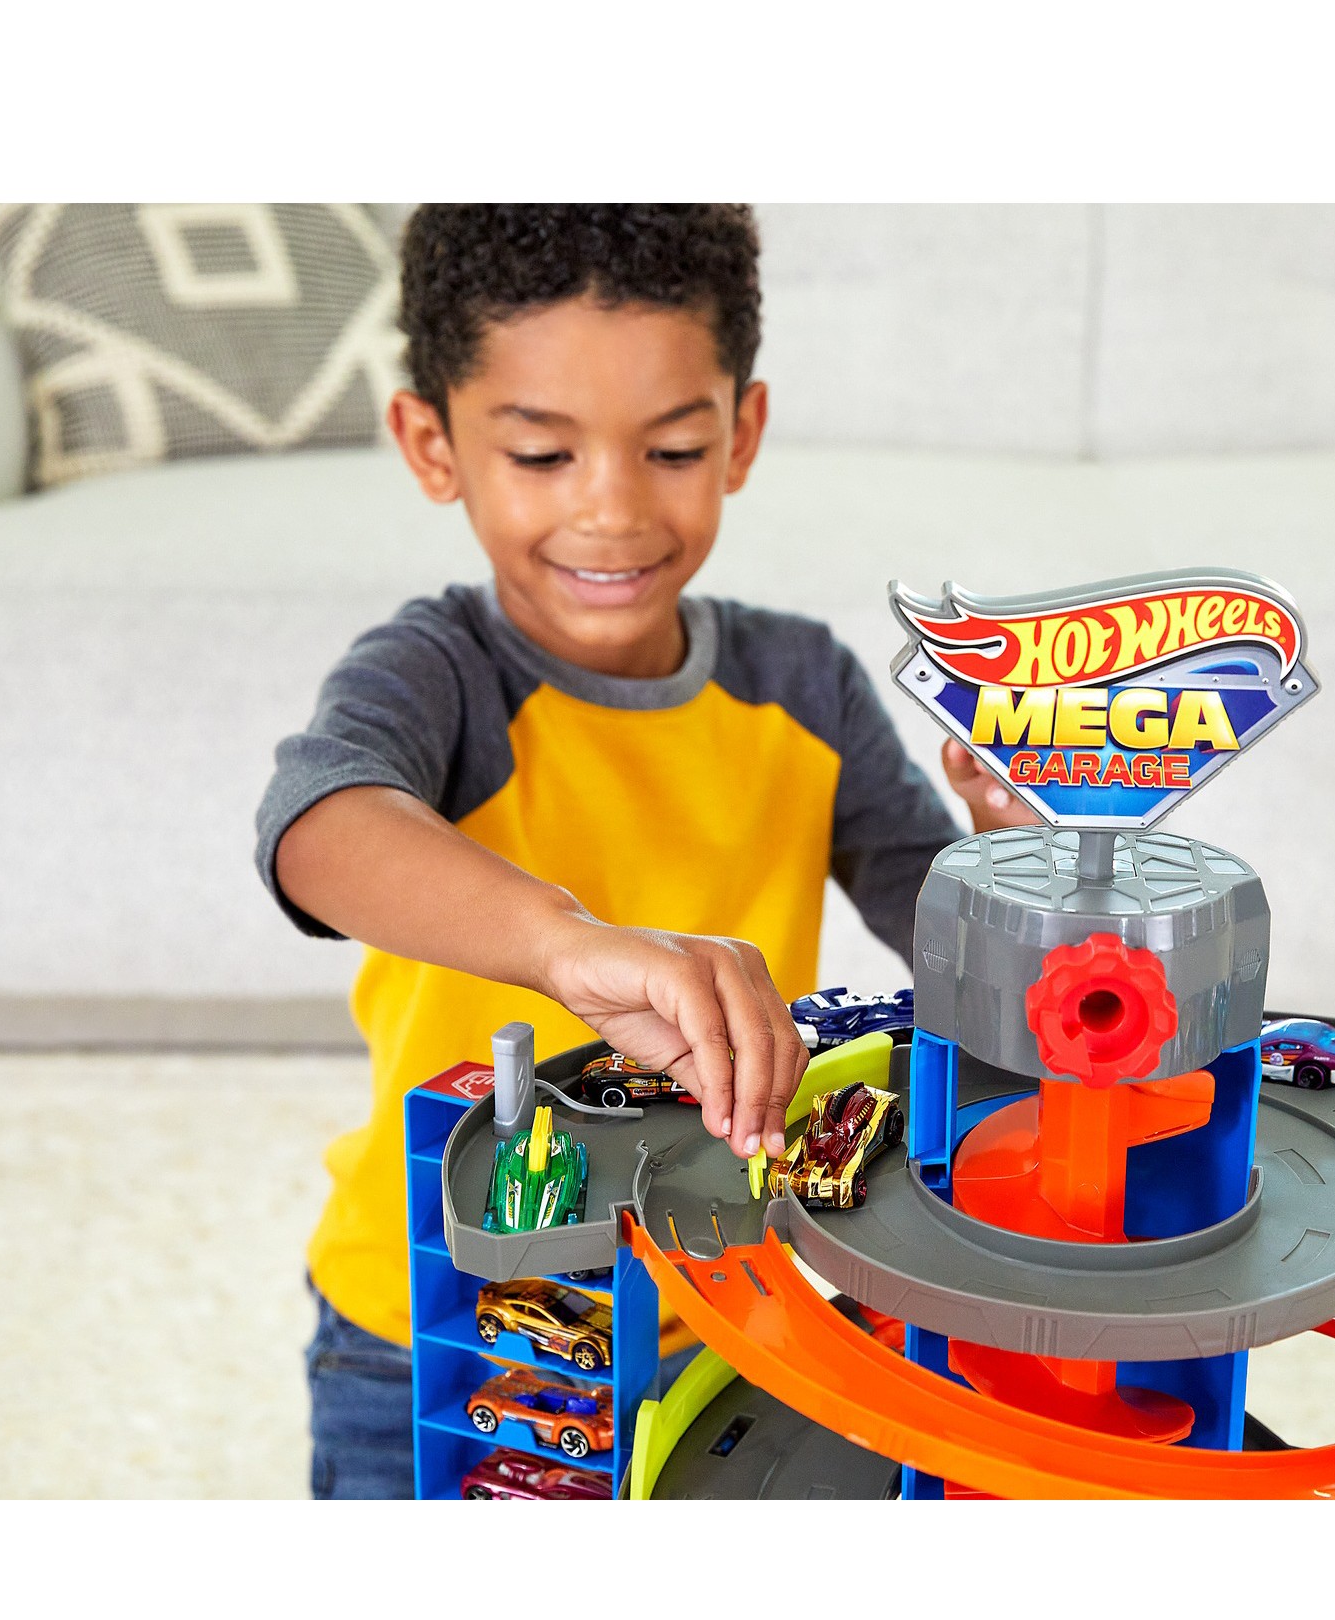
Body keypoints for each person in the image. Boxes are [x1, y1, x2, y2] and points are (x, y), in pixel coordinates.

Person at [256, 205, 1021, 1496]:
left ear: (743, 435)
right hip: (433, 1327)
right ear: (433, 444)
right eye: (542, 454)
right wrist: (568, 946)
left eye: (671, 449)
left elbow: (942, 928)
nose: (611, 509)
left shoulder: (804, 685)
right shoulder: (438, 670)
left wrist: (1011, 858)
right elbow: (315, 827)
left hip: (721, 1319)